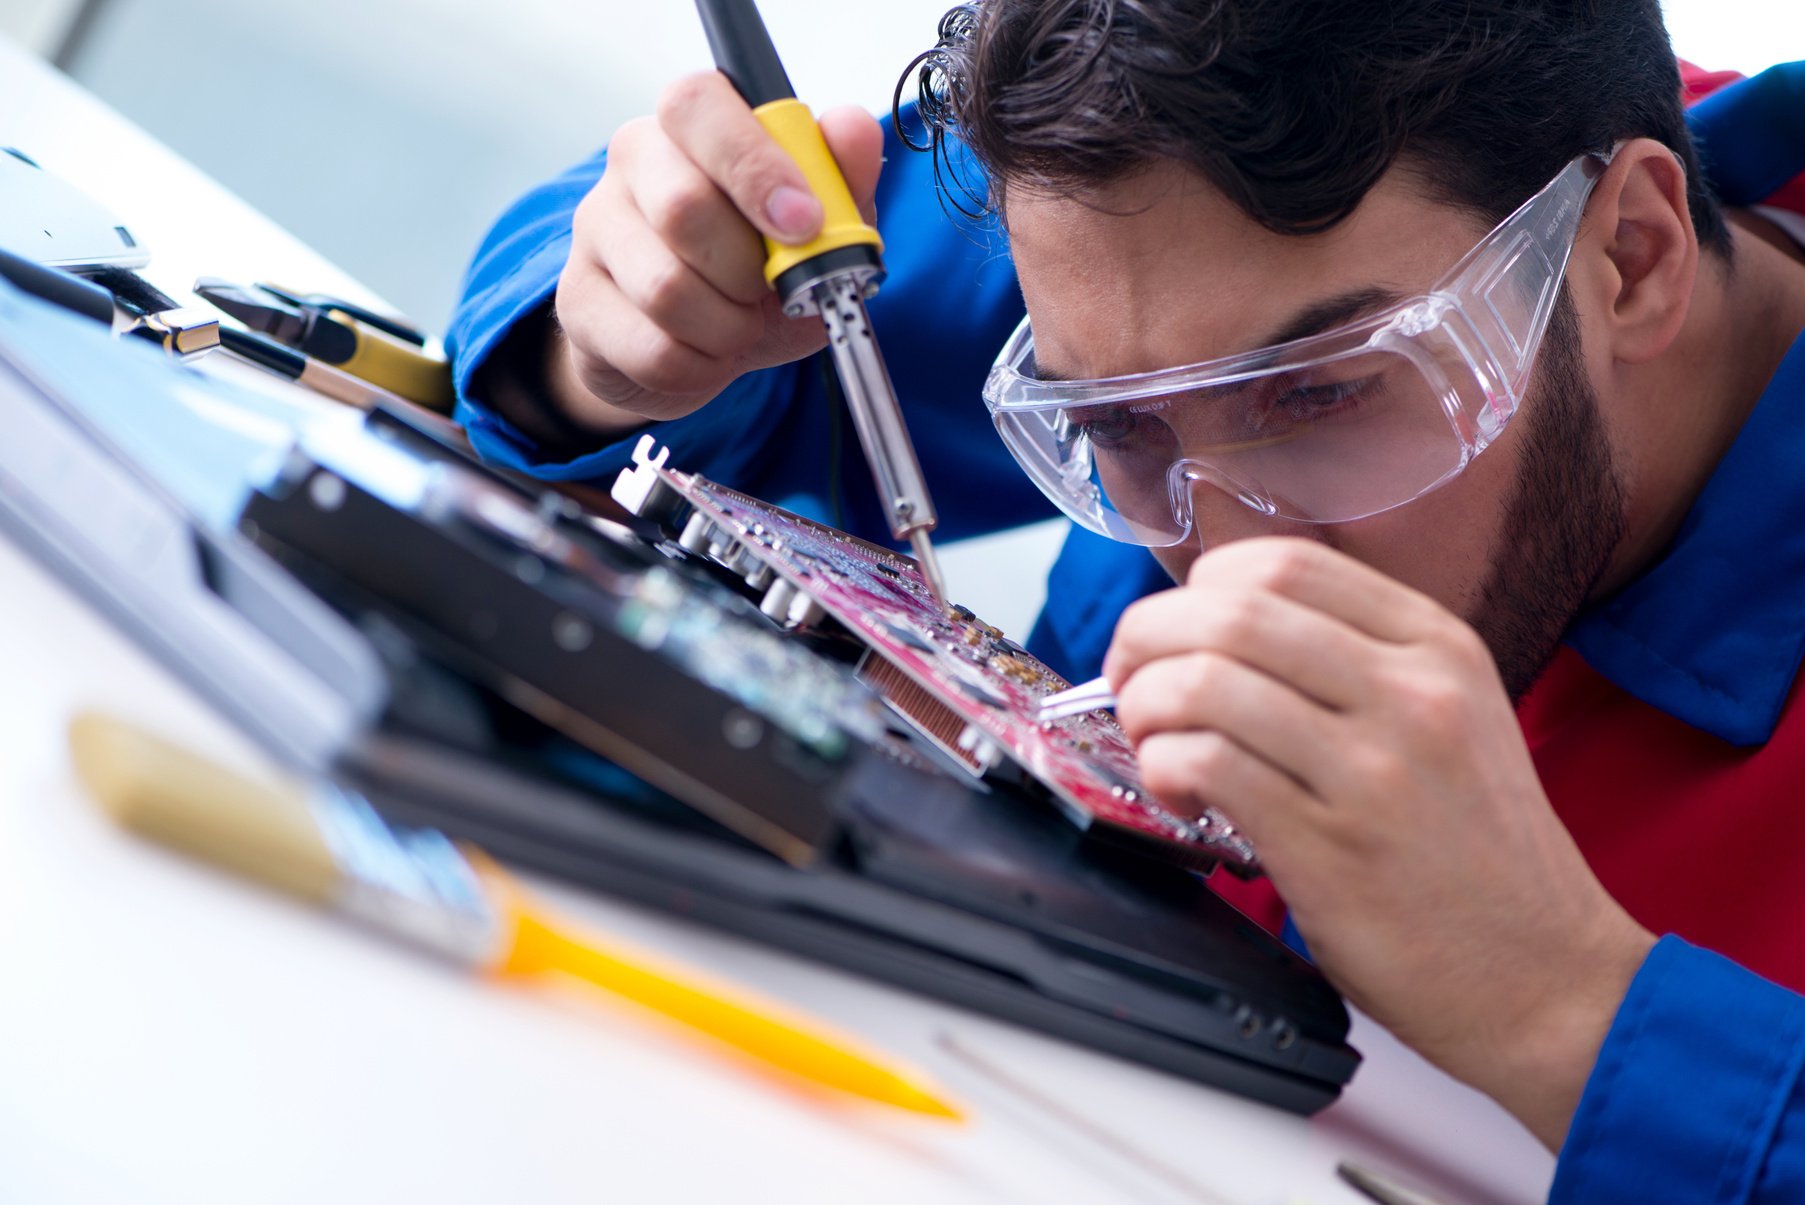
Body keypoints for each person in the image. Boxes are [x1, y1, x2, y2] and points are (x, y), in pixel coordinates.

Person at [448, 1, 1805, 1196]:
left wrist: (1561, 1004)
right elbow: (628, 266)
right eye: (1115, 428)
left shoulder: (1464, 198)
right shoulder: (1166, 214)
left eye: (1317, 397)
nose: (1219, 551)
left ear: (1633, 256)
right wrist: (613, 342)